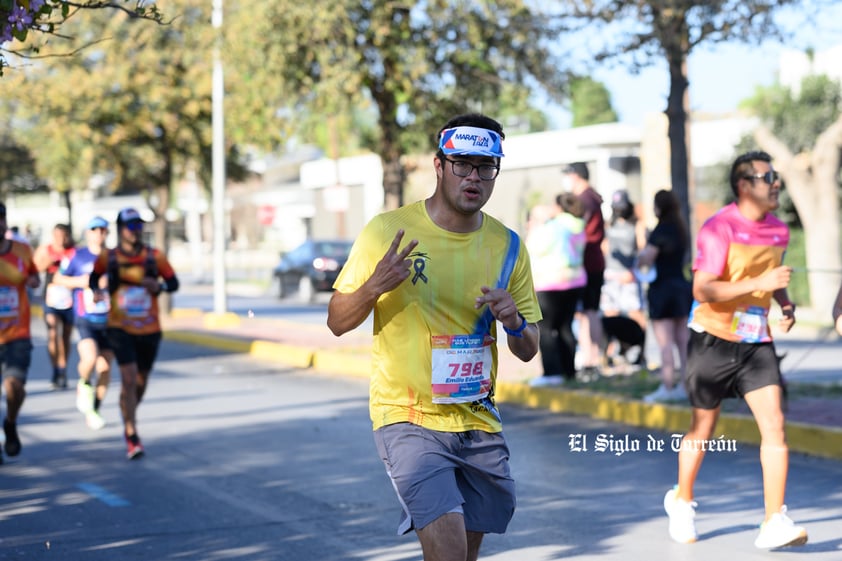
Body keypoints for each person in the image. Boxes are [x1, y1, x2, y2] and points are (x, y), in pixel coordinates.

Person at [327, 113, 540, 561]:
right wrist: (373, 287)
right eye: (462, 164)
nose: (474, 177)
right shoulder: (388, 231)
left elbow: (528, 348)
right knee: (446, 552)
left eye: (486, 167)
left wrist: (514, 322)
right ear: (439, 165)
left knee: (463, 555)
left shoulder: (508, 246)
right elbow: (337, 321)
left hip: (477, 421)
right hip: (409, 418)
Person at [663, 150, 808, 549]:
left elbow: (771, 277)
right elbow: (703, 288)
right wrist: (760, 282)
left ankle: (773, 521)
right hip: (712, 339)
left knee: (775, 424)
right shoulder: (718, 227)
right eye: (768, 176)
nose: (776, 182)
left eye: (776, 176)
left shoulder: (779, 230)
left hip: (756, 341)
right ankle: (682, 499)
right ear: (744, 185)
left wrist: (786, 302)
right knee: (703, 429)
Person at [88, 208, 179, 459]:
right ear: (120, 229)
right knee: (128, 378)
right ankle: (132, 433)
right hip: (120, 326)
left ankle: (128, 411)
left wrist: (158, 286)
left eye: (138, 225)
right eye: (130, 225)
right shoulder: (109, 257)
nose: (135, 230)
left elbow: (174, 283)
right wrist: (97, 290)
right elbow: (94, 278)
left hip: (149, 329)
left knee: (140, 382)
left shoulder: (154, 257)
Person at [53, 216, 114, 430]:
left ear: (107, 233)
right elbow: (58, 279)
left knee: (105, 367)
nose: (99, 234)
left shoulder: (113, 257)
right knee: (89, 358)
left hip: (110, 320)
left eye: (103, 230)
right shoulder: (77, 256)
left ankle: (94, 409)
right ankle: (84, 383)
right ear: (88, 233)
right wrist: (84, 282)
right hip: (85, 317)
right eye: (94, 230)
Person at [638, 190, 692, 403]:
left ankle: (667, 386)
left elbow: (647, 259)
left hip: (662, 289)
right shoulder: (681, 228)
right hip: (681, 286)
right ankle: (686, 385)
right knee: (683, 341)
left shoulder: (659, 231)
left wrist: (642, 250)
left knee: (665, 342)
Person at [527, 194, 586, 386]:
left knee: (546, 328)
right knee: (565, 327)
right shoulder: (578, 226)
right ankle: (569, 371)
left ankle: (552, 373)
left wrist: (536, 225)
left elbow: (532, 247)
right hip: (575, 281)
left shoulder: (553, 227)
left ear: (559, 207)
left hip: (550, 282)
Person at [0, 203, 41, 464]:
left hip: (17, 332)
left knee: (14, 387)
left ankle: (11, 421)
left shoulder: (22, 250)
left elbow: (34, 275)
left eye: (1, 219)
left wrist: (34, 281)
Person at [562, 162, 604, 378]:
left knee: (588, 312)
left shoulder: (586, 199)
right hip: (593, 261)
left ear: (576, 176)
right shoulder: (593, 196)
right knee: (589, 311)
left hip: (587, 262)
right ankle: (591, 357)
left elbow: (578, 229)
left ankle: (591, 359)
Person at [601, 189, 647, 370]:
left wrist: (634, 271)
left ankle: (641, 354)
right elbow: (604, 248)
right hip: (611, 277)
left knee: (636, 315)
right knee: (610, 317)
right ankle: (611, 354)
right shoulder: (609, 225)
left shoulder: (637, 225)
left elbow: (642, 250)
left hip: (630, 278)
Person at [33, 223, 76, 389]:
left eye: (64, 236)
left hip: (70, 299)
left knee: (65, 337)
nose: (61, 240)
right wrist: (50, 261)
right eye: (57, 236)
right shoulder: (45, 250)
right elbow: (34, 269)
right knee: (52, 334)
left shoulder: (74, 251)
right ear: (53, 236)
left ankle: (62, 368)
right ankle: (55, 369)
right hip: (51, 298)